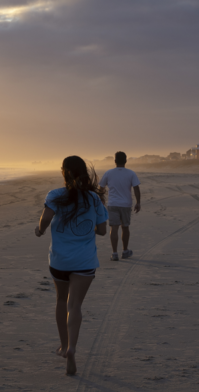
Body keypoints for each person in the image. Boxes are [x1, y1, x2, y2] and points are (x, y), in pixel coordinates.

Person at [35, 156, 108, 375]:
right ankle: (73, 349)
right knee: (74, 306)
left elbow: (45, 220)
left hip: (59, 260)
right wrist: (87, 230)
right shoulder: (94, 199)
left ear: (63, 172)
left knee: (60, 300)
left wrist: (40, 231)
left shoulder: (55, 195)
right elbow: (103, 230)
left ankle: (64, 345)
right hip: (84, 261)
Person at [98, 151, 141, 261]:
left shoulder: (108, 173)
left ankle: (114, 253)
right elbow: (136, 188)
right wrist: (138, 202)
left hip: (113, 204)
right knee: (125, 227)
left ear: (115, 161)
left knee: (114, 228)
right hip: (126, 204)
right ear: (126, 161)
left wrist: (101, 198)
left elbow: (101, 188)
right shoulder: (131, 173)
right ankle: (125, 250)